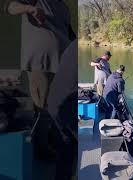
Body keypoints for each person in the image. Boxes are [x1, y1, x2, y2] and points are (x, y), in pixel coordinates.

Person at [4, 0, 75, 159]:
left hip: (62, 63)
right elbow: (9, 6)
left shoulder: (62, 6)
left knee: (60, 106)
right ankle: (41, 150)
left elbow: (70, 35)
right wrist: (29, 8)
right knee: (42, 108)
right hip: (40, 63)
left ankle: (57, 142)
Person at [47, 40, 77, 180]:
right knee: (69, 148)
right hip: (63, 107)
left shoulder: (72, 46)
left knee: (64, 151)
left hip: (54, 102)